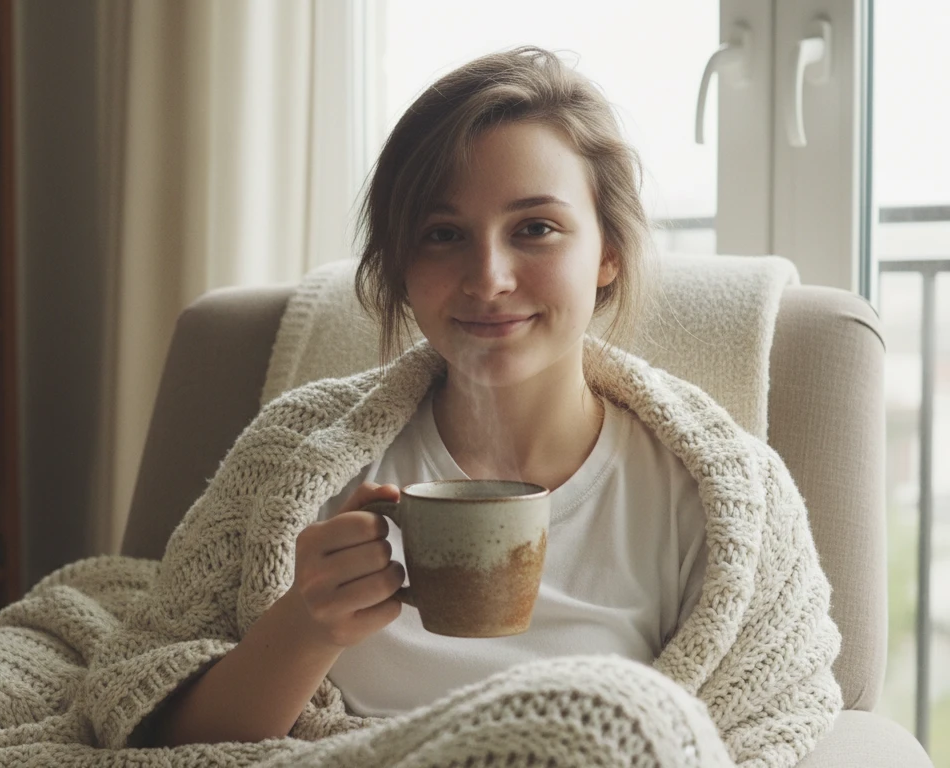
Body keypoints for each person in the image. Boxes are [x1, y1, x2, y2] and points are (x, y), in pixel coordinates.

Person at [140, 46, 838, 757]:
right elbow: (155, 740)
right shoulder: (295, 457)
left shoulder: (718, 502)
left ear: (607, 253)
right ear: (401, 269)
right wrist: (303, 628)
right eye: (443, 235)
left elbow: (759, 731)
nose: (489, 278)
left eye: (535, 229)